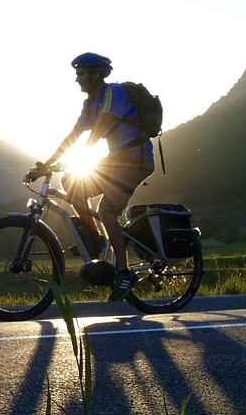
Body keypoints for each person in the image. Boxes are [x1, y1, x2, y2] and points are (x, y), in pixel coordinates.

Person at [28, 52, 155, 302]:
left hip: (136, 160)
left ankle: (124, 272)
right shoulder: (89, 104)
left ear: (96, 75)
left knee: (106, 211)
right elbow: (73, 136)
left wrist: (79, 157)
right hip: (118, 161)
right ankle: (95, 241)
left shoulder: (113, 94)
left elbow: (100, 129)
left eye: (81, 74)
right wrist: (48, 164)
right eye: (77, 74)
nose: (77, 79)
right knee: (72, 184)